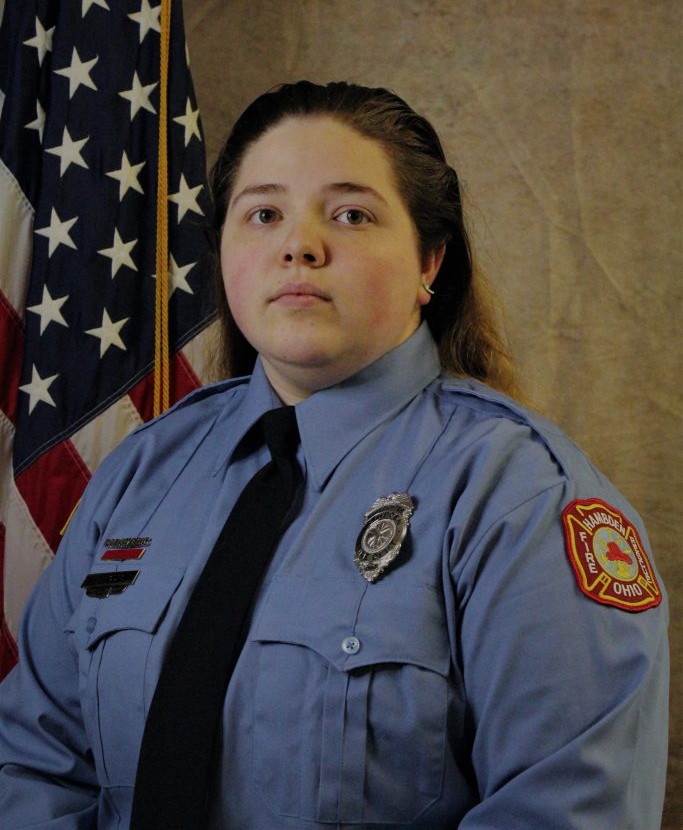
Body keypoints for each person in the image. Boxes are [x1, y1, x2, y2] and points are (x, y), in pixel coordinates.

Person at [0, 80, 668, 828]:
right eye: (263, 213)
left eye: (350, 214)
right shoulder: (143, 471)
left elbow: (566, 812)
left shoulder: (519, 497)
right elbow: (36, 760)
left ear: (429, 263)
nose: (299, 245)